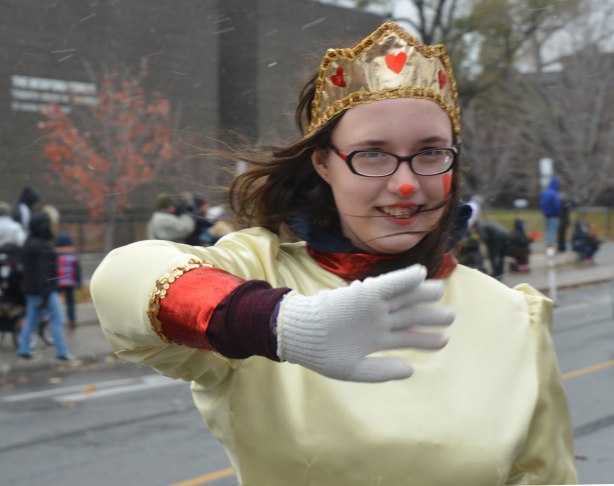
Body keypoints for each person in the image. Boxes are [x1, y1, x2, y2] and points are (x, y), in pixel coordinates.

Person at [91, 22, 577, 484]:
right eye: (373, 154)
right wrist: (276, 321)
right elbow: (121, 283)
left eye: (430, 152)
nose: (406, 184)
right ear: (324, 163)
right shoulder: (263, 269)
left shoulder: (516, 317)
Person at [17, 209, 73, 360]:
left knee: (31, 320)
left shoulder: (28, 244)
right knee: (57, 319)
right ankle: (62, 352)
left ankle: (23, 349)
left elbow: (29, 272)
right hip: (45, 292)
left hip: (31, 290)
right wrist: (46, 295)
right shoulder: (43, 246)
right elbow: (44, 273)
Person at [55, 232, 82, 329]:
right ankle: (72, 320)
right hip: (70, 283)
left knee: (56, 303)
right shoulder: (72, 257)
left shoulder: (55, 257)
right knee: (70, 302)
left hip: (57, 283)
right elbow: (77, 270)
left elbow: (52, 270)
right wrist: (79, 282)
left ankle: (57, 320)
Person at [539, 176, 562, 253]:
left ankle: (547, 246)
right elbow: (557, 205)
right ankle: (550, 249)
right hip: (554, 215)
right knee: (552, 231)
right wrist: (559, 212)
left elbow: (542, 204)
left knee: (547, 230)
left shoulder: (545, 193)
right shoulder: (555, 194)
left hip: (546, 215)